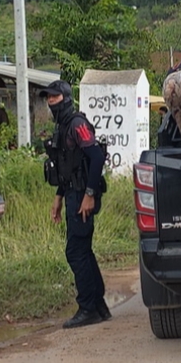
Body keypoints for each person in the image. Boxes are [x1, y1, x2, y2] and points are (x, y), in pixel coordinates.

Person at [40, 79, 111, 328]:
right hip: (72, 194)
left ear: (66, 98)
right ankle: (98, 305)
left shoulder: (77, 124)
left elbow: (96, 156)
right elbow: (67, 167)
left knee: (76, 251)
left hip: (82, 195)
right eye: (48, 98)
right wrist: (58, 197)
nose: (50, 101)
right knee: (83, 250)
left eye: (54, 97)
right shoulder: (62, 127)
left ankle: (88, 307)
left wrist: (89, 194)